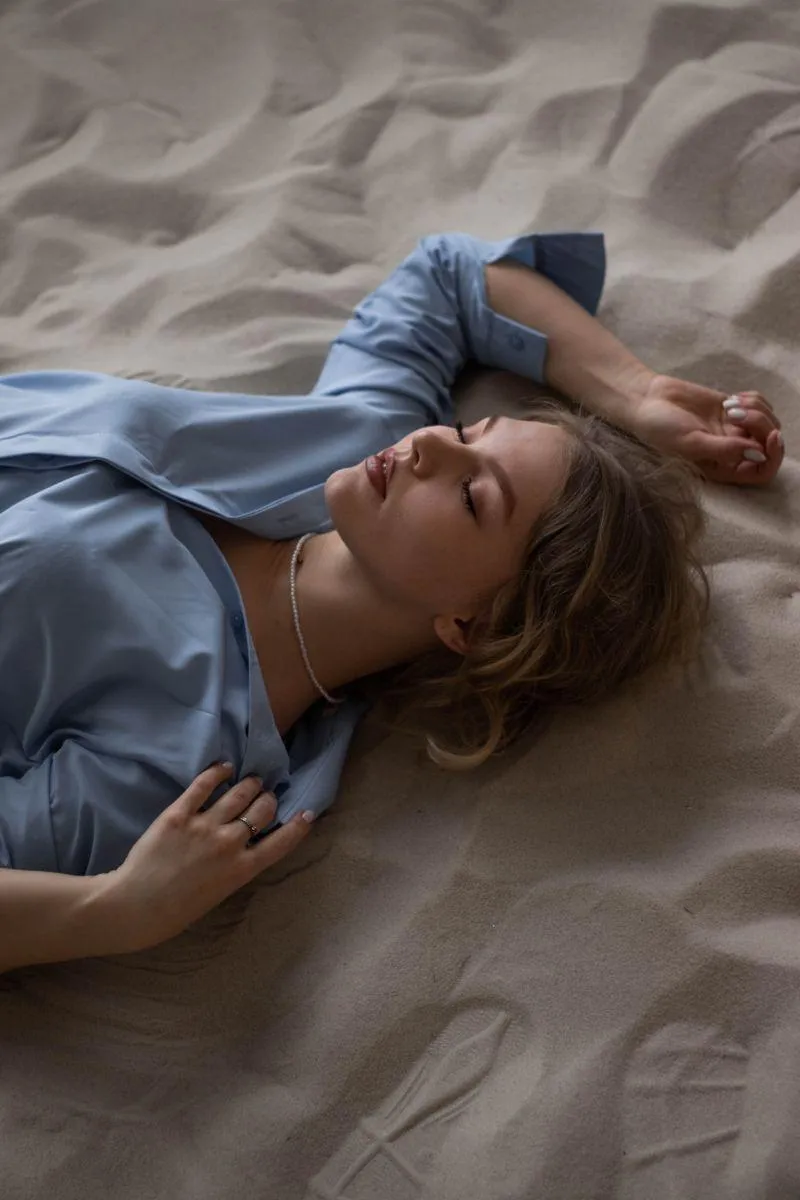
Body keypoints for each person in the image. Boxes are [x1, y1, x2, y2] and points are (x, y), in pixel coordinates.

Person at [0, 231, 782, 973]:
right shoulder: (360, 437)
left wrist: (108, 913)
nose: (431, 446)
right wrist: (637, 393)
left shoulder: (183, 759)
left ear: (473, 626)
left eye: (475, 495)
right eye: (471, 430)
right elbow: (453, 275)